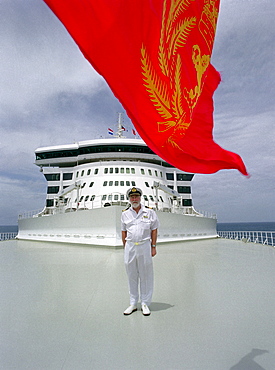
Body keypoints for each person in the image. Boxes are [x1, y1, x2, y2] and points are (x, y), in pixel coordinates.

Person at [121, 187, 159, 316]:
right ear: (129, 199)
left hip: (144, 245)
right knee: (131, 275)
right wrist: (125, 247)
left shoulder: (149, 212)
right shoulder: (125, 213)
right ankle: (133, 303)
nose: (134, 199)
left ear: (140, 198)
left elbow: (154, 230)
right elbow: (123, 232)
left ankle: (145, 303)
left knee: (146, 275)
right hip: (130, 246)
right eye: (132, 197)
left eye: (136, 197)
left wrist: (153, 246)